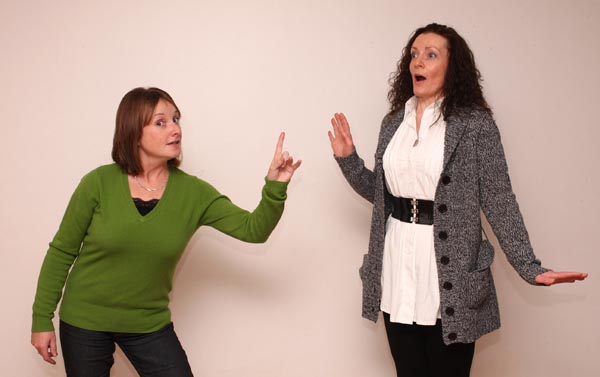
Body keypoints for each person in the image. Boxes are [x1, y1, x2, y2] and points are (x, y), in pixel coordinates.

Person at [328, 23, 587, 377]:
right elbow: (383, 195)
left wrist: (530, 267)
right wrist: (348, 160)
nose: (418, 61)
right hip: (397, 267)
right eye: (414, 54)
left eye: (431, 55)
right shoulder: (393, 123)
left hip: (449, 274)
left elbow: (499, 198)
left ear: (453, 68)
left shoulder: (475, 125)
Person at [31, 87, 301, 376]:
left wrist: (276, 186)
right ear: (134, 132)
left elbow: (253, 230)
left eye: (176, 119)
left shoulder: (194, 193)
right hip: (84, 321)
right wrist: (41, 319)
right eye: (161, 122)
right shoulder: (97, 183)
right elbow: (62, 251)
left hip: (147, 324)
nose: (175, 129)